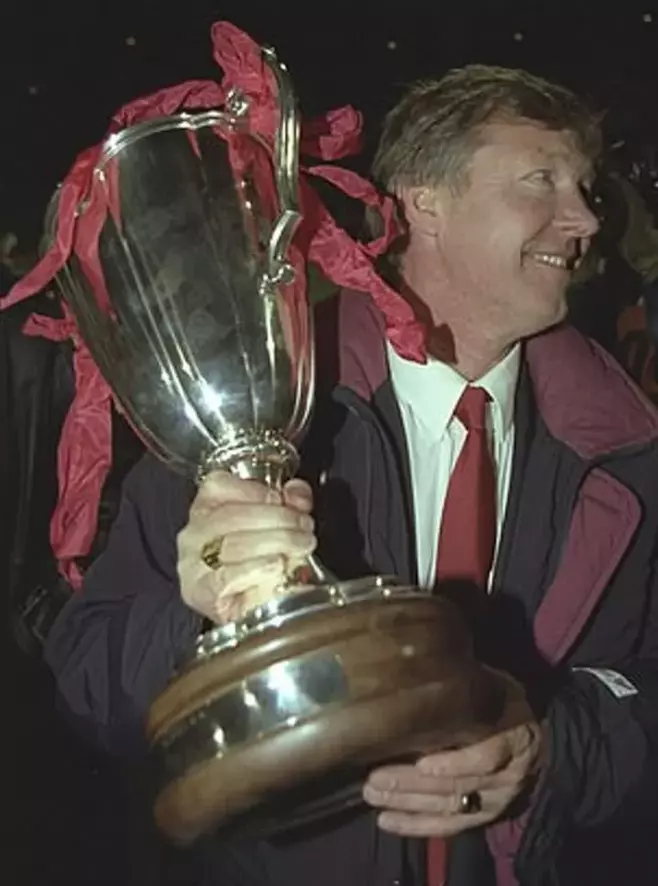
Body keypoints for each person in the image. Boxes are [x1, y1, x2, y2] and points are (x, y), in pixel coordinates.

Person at [44, 65, 658, 886]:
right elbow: (85, 678)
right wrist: (197, 623)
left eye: (584, 187)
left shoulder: (623, 446)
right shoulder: (258, 396)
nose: (584, 218)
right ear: (420, 201)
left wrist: (550, 746)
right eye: (540, 179)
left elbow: (640, 686)